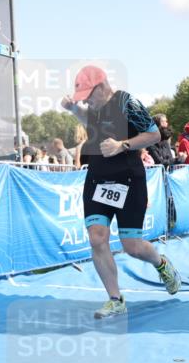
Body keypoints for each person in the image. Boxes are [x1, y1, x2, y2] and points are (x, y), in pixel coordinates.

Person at [60, 65, 180, 319]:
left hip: (128, 180)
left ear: (102, 87)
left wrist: (122, 145)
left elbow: (154, 134)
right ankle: (115, 299)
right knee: (96, 237)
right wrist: (73, 109)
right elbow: (90, 123)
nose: (87, 102)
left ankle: (161, 263)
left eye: (89, 95)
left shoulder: (127, 102)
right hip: (98, 180)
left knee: (132, 247)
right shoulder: (95, 108)